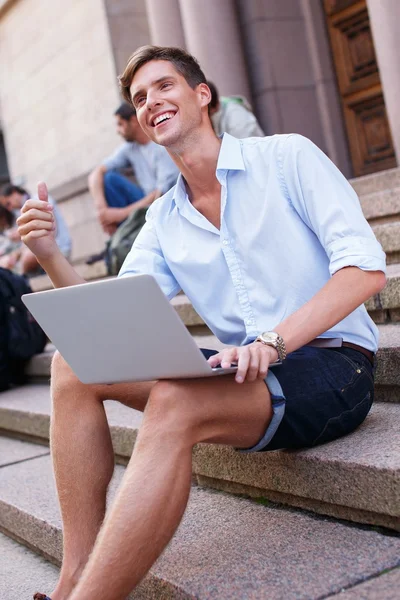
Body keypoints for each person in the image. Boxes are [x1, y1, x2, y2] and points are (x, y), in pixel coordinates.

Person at [18, 45, 385, 600]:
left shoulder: (286, 158)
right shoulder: (164, 218)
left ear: (202, 94)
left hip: (337, 367)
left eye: (164, 86)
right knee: (73, 365)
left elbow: (364, 271)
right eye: (139, 98)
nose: (151, 102)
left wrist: (274, 341)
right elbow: (105, 324)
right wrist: (48, 253)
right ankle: (73, 575)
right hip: (246, 374)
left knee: (175, 401)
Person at [88, 102, 178, 237]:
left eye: (120, 124)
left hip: (166, 204)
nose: (118, 130)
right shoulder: (130, 148)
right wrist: (103, 211)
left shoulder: (160, 145)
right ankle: (123, 238)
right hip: (143, 200)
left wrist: (120, 214)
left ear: (134, 121)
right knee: (108, 179)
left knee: (111, 180)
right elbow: (96, 173)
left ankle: (128, 237)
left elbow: (160, 194)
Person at [0, 184, 71, 276]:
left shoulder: (37, 200)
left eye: (8, 203)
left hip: (60, 248)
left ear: (15, 193)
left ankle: (23, 281)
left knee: (26, 258)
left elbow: (50, 230)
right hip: (43, 251)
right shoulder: (20, 211)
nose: (9, 208)